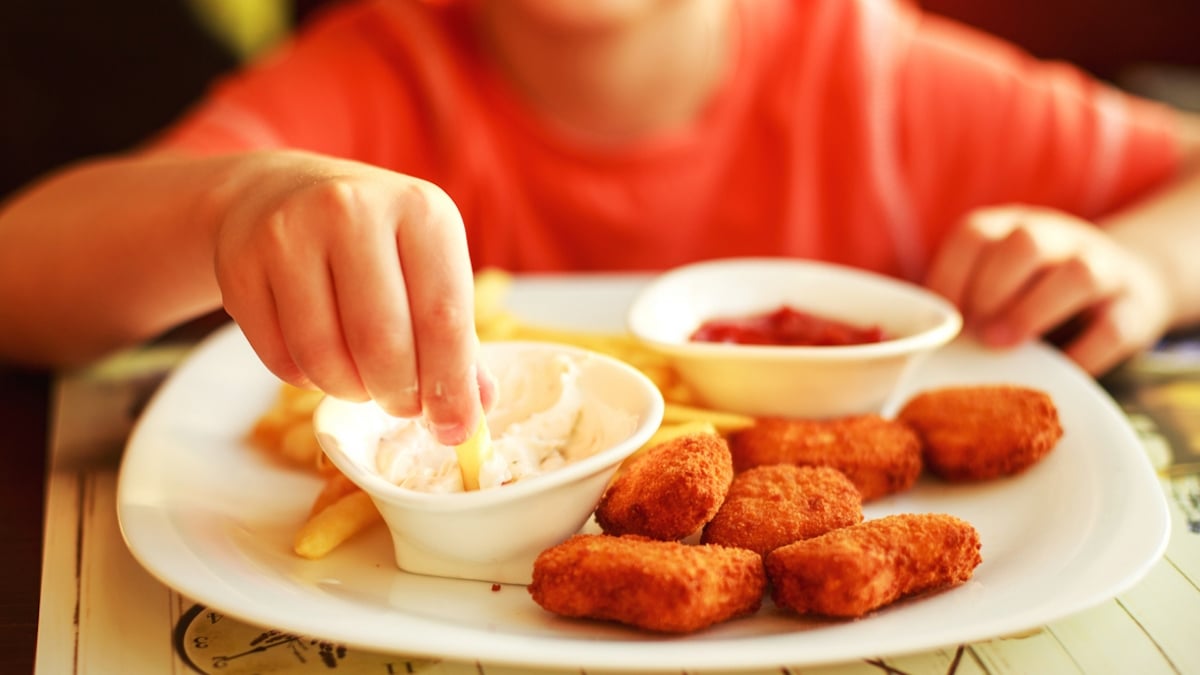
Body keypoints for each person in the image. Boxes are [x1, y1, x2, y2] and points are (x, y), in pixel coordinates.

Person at [1, 0, 1198, 446]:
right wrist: (229, 204)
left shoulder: (881, 76)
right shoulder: (371, 72)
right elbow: (23, 281)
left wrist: (1138, 261)